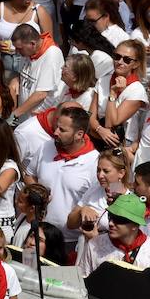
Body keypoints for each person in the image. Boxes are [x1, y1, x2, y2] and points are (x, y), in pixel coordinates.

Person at [28, 106, 100, 250]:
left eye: (62, 130)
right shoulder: (46, 146)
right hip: (38, 236)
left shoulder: (95, 162)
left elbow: (95, 205)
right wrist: (37, 192)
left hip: (70, 243)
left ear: (79, 134)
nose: (55, 132)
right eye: (57, 127)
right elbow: (30, 174)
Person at [77, 193, 150, 275]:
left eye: (119, 220)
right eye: (110, 217)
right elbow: (82, 280)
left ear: (135, 225)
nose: (111, 223)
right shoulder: (94, 245)